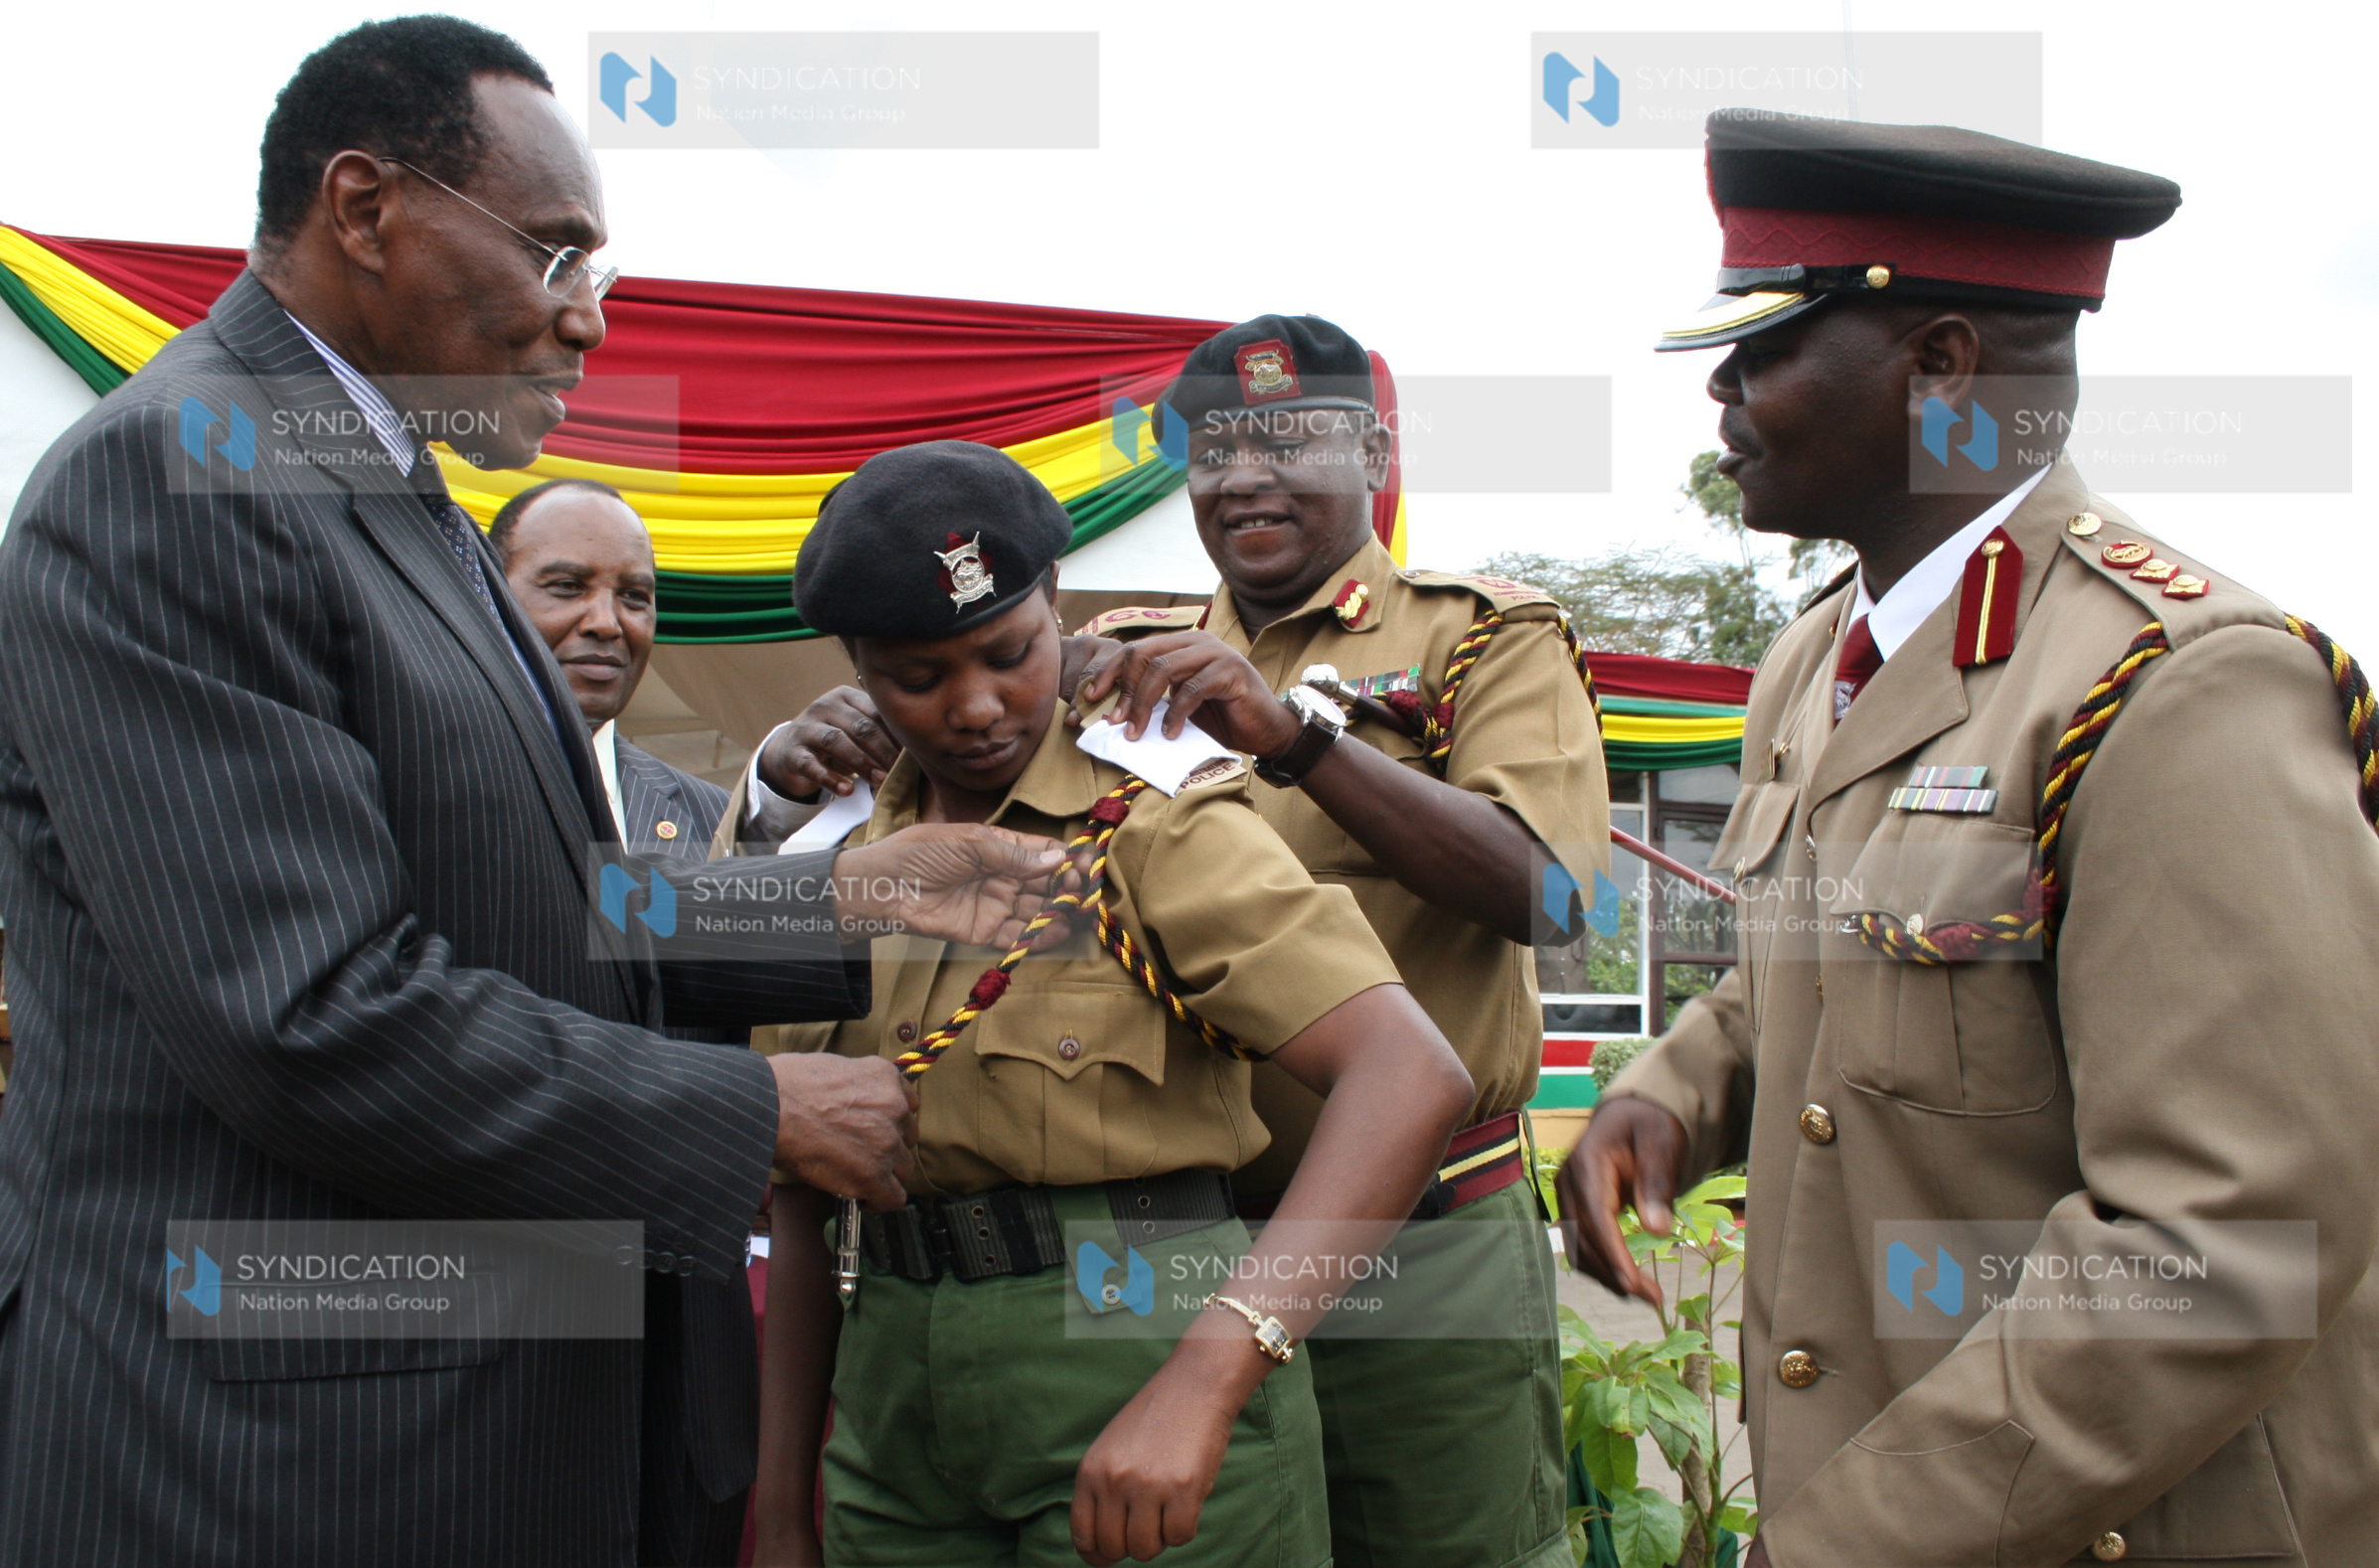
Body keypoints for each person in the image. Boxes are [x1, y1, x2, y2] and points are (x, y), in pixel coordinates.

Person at [0, 19, 1065, 1567]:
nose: (584, 322)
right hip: (287, 1445)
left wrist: (874, 898)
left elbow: (548, 901)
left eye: (596, 275)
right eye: (554, 255)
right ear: (364, 209)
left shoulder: (394, 494)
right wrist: (751, 1108)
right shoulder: (172, 482)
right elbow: (308, 1011)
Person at [1557, 112, 2379, 1567]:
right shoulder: (1815, 663)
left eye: (1764, 348)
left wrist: (1846, 1541)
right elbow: (1824, 953)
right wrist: (1676, 1087)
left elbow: (2223, 1246)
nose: (1722, 393)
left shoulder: (2180, 685)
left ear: (1939, 368)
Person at [748, 439, 1475, 1567]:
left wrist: (1208, 1378)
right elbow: (802, 1200)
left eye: (1009, 653)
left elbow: (1411, 1072)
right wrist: (785, 1509)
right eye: (920, 676)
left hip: (1137, 1340)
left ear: (1056, 608)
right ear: (856, 665)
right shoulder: (840, 856)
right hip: (890, 1399)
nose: (980, 706)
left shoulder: (1151, 822)